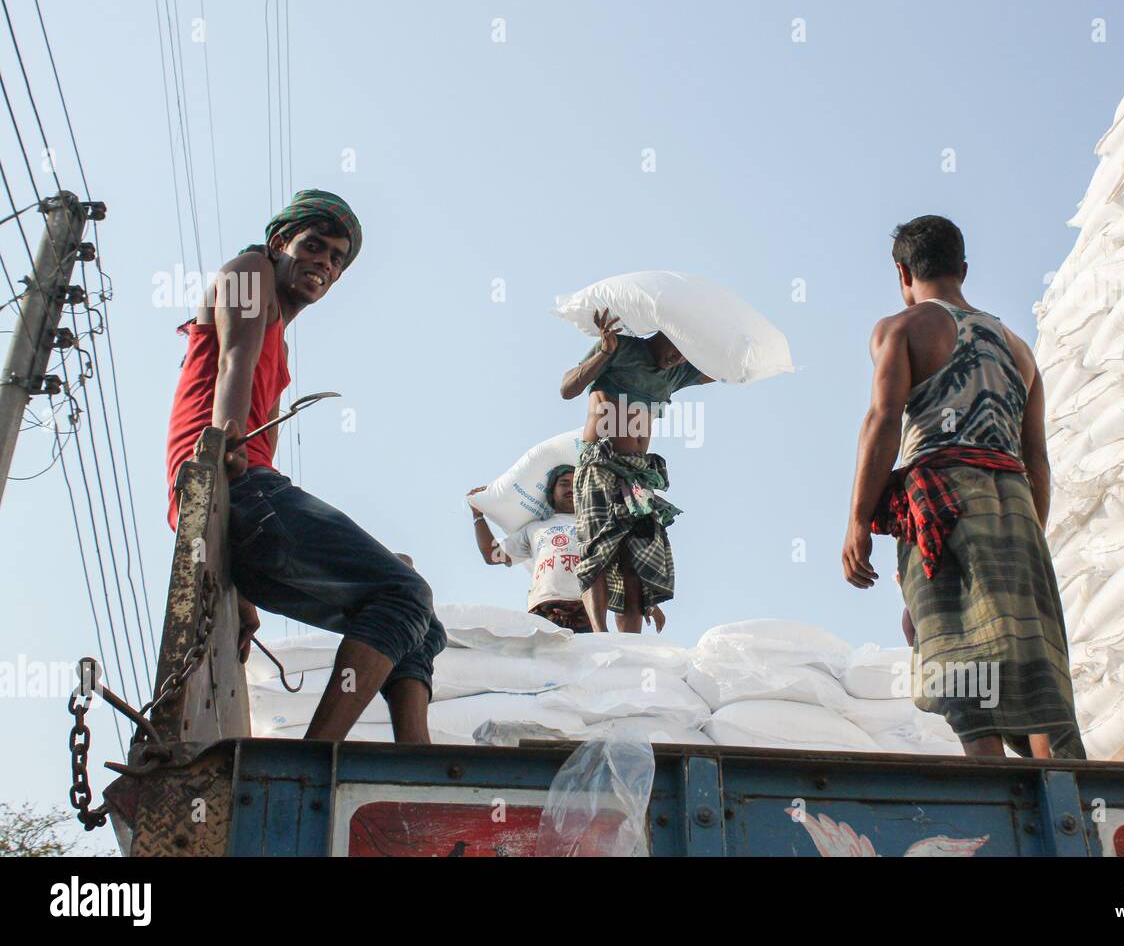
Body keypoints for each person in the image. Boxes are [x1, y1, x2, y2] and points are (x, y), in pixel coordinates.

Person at [164, 189, 444, 744]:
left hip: (242, 504)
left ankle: (418, 760)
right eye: (313, 247)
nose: (325, 263)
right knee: (403, 592)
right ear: (278, 244)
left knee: (420, 621)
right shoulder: (249, 270)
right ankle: (318, 757)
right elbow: (232, 359)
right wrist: (225, 443)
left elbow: (253, 405)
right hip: (234, 483)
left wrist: (242, 596)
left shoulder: (283, 350)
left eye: (338, 258)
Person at [841, 214, 1085, 760]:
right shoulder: (1018, 347)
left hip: (944, 504)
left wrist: (858, 521)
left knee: (959, 663)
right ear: (964, 269)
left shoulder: (901, 329)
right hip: (1016, 506)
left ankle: (997, 793)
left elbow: (881, 421)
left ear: (902, 272)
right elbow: (1037, 459)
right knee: (1032, 662)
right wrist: (1028, 535)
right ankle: (1062, 795)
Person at [559, 309, 713, 633]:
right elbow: (568, 388)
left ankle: (629, 644)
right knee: (600, 547)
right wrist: (604, 353)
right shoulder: (622, 348)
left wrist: (727, 340)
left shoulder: (677, 371)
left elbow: (723, 371)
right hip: (600, 461)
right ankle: (600, 634)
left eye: (687, 352)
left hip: (638, 475)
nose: (678, 357)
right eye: (677, 347)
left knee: (637, 555)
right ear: (664, 331)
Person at [466, 466, 594, 632]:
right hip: (543, 607)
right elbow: (492, 555)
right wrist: (478, 516)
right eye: (564, 483)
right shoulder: (533, 529)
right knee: (540, 657)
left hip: (583, 607)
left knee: (583, 657)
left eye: (575, 484)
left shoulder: (593, 526)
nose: (570, 489)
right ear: (552, 491)